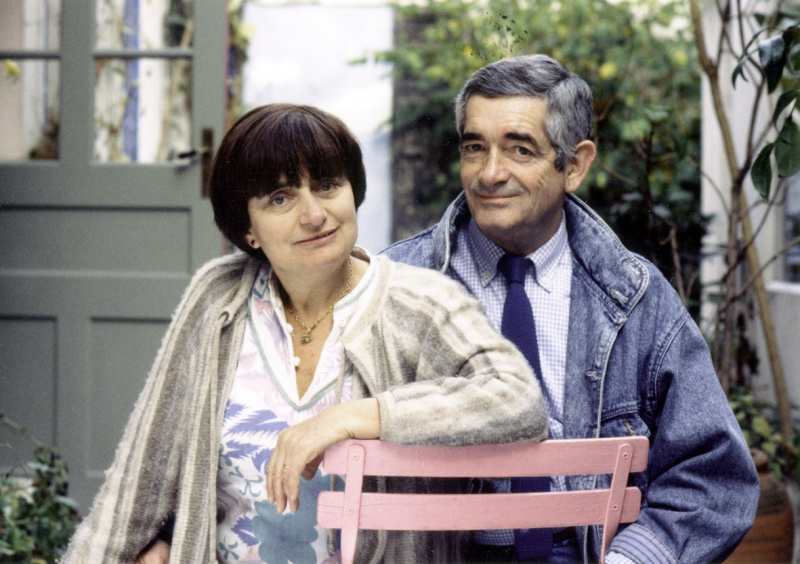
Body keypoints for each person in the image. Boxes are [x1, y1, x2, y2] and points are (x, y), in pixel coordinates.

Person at [63, 103, 548, 563]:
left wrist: (354, 417)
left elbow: (519, 401)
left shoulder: (420, 301)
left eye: (328, 185)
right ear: (247, 229)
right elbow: (141, 477)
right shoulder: (218, 298)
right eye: (280, 198)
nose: (314, 214)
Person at [383, 54, 760, 563]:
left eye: (520, 149)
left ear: (575, 165)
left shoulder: (635, 297)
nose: (490, 173)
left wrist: (632, 560)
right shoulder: (396, 284)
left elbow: (713, 474)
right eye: (475, 148)